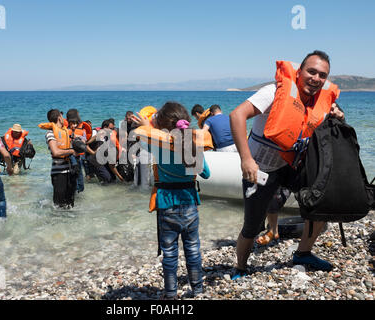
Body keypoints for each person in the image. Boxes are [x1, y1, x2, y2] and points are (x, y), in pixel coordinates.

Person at [229, 50, 345, 279]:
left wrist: (339, 116)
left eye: (322, 75)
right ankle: (240, 267)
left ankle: (303, 253)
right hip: (259, 170)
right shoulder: (273, 92)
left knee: (321, 203)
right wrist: (246, 159)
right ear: (300, 71)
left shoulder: (322, 102)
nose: (316, 78)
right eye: (311, 71)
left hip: (291, 166)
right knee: (252, 226)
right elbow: (236, 115)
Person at [133, 101, 211, 299]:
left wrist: (148, 123)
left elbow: (143, 135)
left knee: (169, 253)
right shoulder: (192, 145)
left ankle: (170, 294)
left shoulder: (156, 144)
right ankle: (198, 290)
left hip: (166, 205)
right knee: (193, 249)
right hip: (190, 204)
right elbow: (206, 173)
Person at [44, 109, 78, 208]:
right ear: (59, 117)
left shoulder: (65, 132)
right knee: (59, 206)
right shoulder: (50, 133)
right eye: (62, 117)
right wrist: (71, 151)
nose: (64, 119)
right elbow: (56, 152)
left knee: (70, 205)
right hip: (58, 173)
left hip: (70, 171)